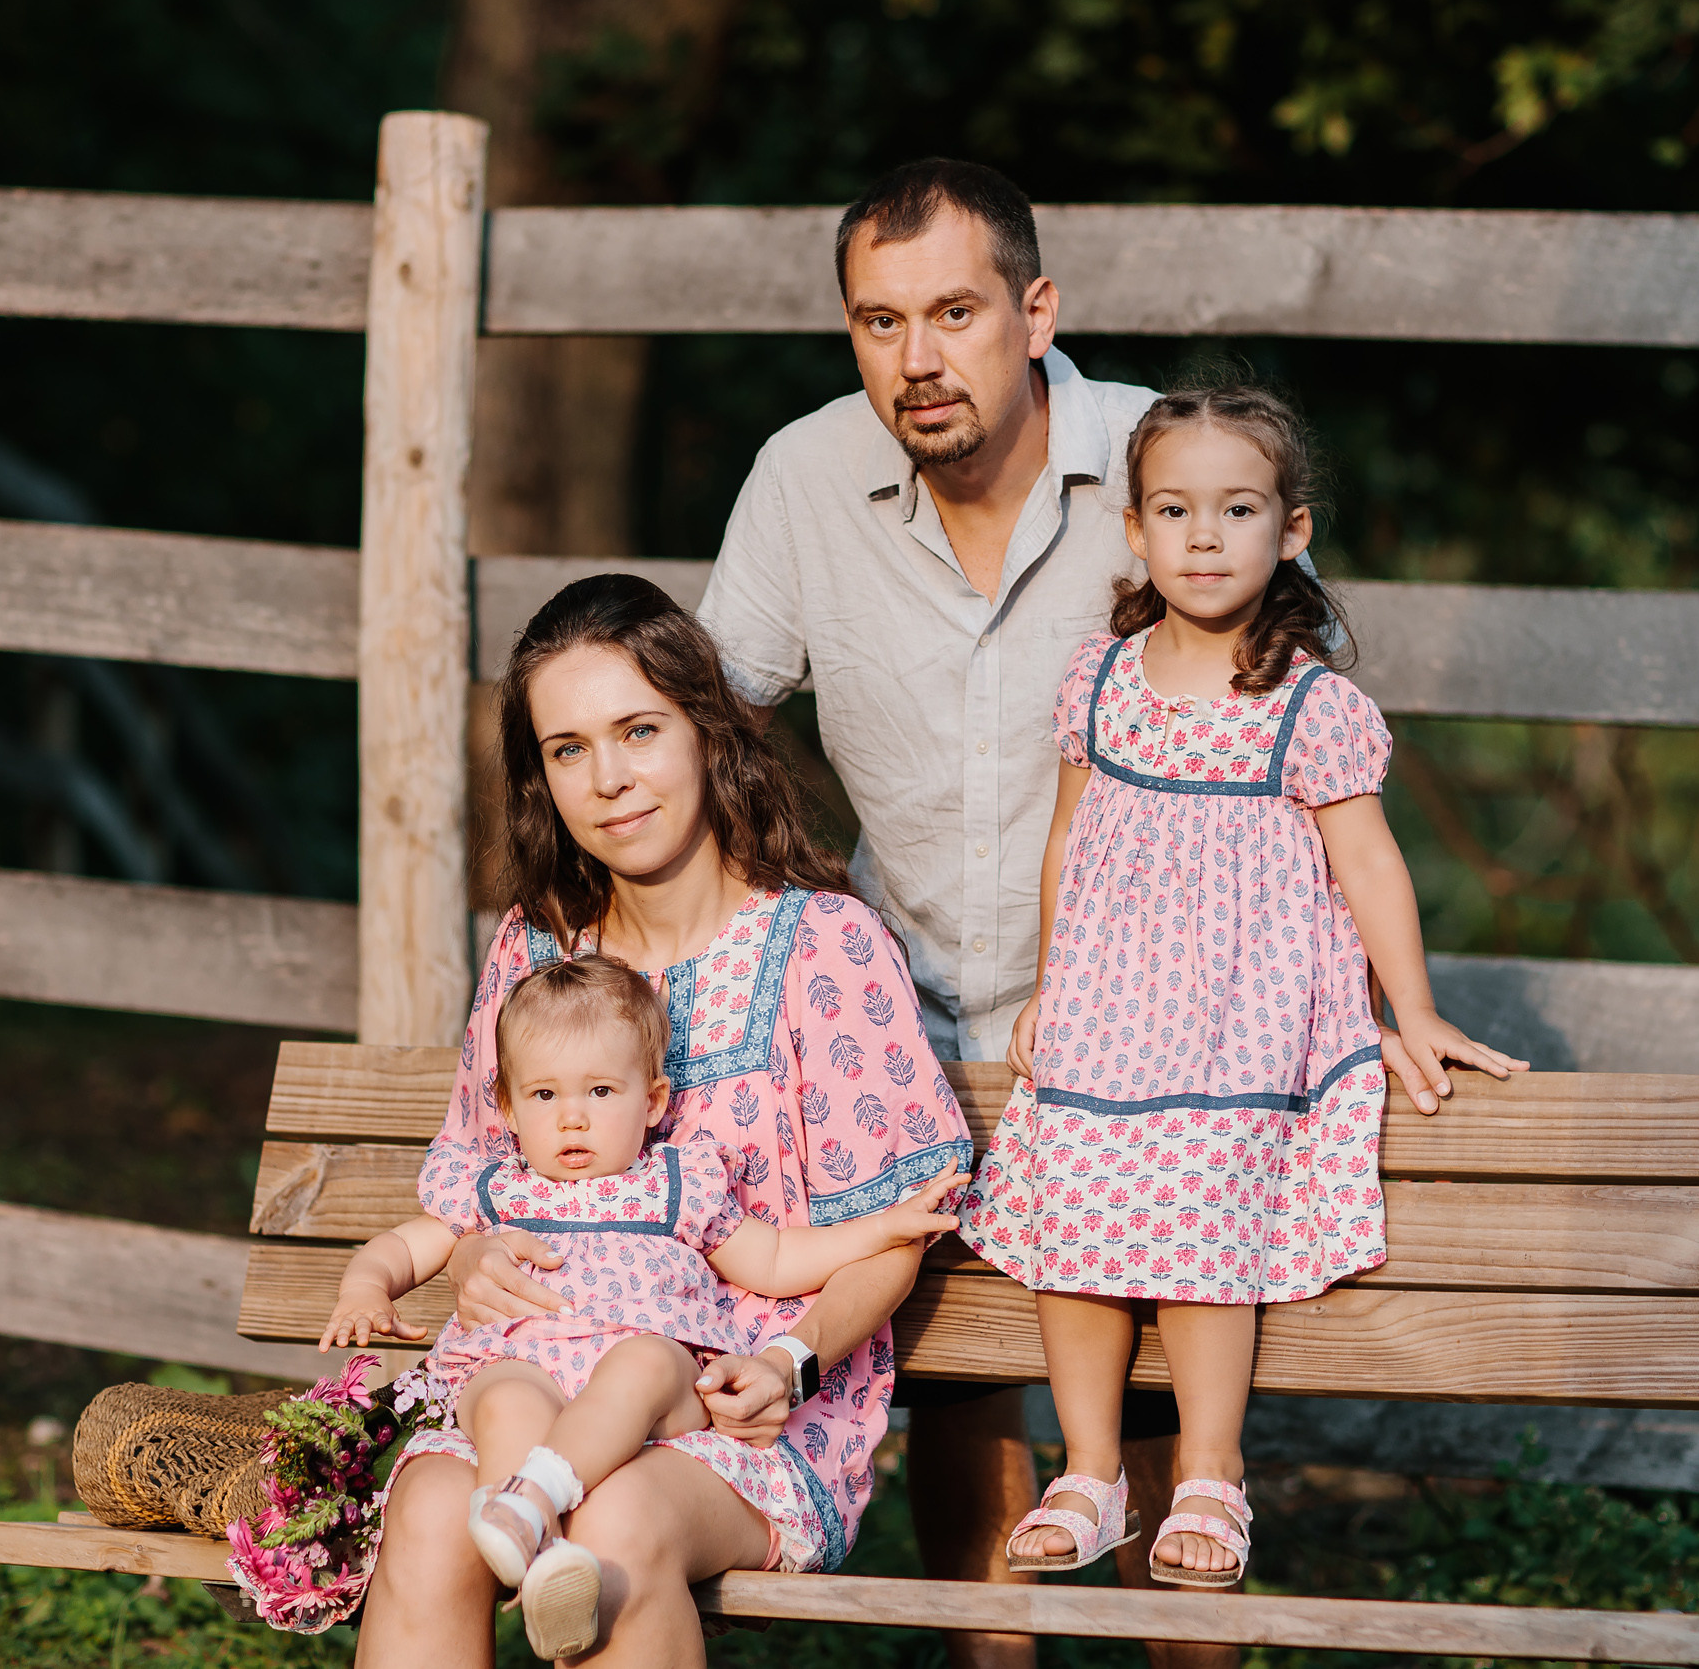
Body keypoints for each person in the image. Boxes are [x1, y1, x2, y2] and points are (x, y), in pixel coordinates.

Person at [697, 157, 1251, 1666]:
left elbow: (1286, 734)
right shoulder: (805, 477)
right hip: (911, 1019)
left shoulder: (1173, 462)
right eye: (880, 323)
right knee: (947, 1365)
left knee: (1148, 1388)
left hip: (1152, 1031)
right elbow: (703, 731)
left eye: (954, 311)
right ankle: (985, 1659)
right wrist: (782, 946)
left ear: (1035, 310)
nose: (919, 358)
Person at [958, 379, 1526, 1586]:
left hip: (1240, 1017)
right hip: (1110, 1007)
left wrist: (1405, 1010)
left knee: (1202, 1208)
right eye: (1173, 509)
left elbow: (1367, 863)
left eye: (1235, 510)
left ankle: (1211, 1469)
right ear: (1135, 530)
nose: (1202, 538)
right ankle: (1091, 1468)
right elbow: (1068, 839)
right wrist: (1052, 987)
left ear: (1291, 532)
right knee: (1073, 1207)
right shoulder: (1100, 682)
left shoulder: (1308, 706)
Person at [352, 574, 975, 1668]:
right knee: (426, 1522)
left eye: (638, 731)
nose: (609, 780)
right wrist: (480, 1256)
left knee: (616, 1527)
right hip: (529, 1382)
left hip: (738, 1406)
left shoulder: (822, 946)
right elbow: (479, 1170)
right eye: (568, 748)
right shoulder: (532, 947)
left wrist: (792, 1358)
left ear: (707, 732)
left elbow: (890, 1234)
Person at [324, 953, 964, 1660]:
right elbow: (403, 1247)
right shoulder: (496, 1191)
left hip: (650, 1414)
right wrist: (364, 1287)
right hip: (526, 1375)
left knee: (648, 1358)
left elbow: (780, 1258)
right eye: (543, 1096)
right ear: (506, 1107)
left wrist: (882, 1225)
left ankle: (536, 1502)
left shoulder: (675, 1186)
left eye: (600, 1090)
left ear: (653, 1100)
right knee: (504, 1392)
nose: (572, 1117)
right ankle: (537, 1550)